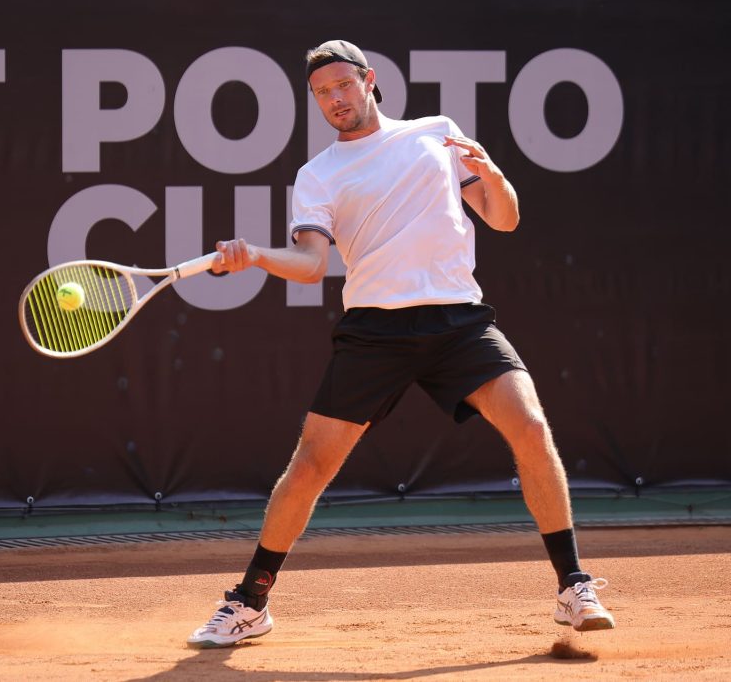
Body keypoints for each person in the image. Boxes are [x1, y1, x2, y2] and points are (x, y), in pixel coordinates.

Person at [186, 39, 615, 649]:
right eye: (322, 93)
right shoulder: (317, 175)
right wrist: (255, 255)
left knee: (530, 426)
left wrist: (493, 176)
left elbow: (504, 219)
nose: (335, 99)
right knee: (311, 465)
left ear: (369, 81)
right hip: (375, 331)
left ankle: (574, 587)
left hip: (458, 321)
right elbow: (310, 264)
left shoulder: (435, 134)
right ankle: (250, 602)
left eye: (343, 85)